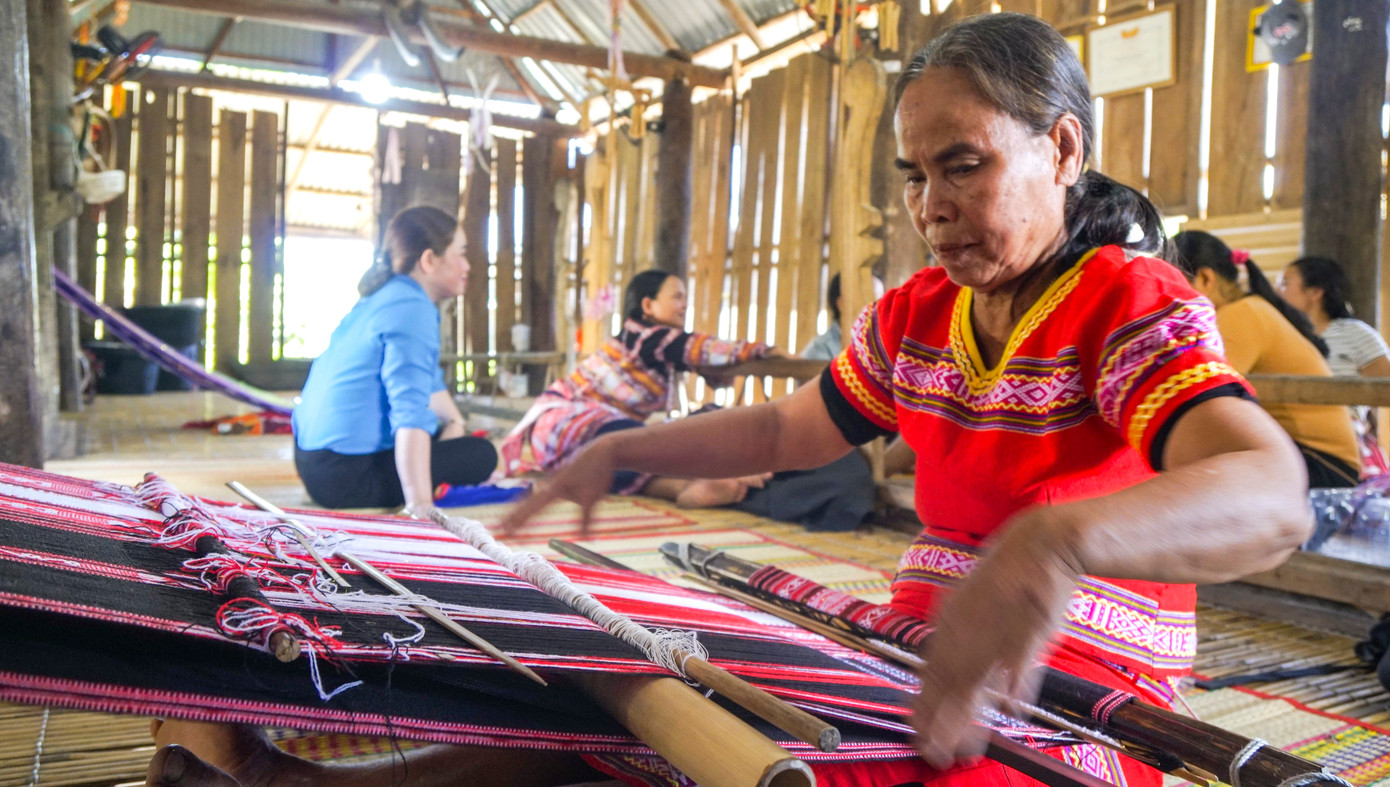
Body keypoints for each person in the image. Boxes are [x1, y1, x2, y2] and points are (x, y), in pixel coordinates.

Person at [147, 14, 1312, 787]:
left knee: (759, 756)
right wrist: (621, 451)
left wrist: (1051, 547)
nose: (931, 203)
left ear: (1061, 149)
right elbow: (785, 430)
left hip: (1065, 698)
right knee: (632, 672)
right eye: (914, 175)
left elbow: (1272, 495)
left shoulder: (1126, 302)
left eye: (964, 164)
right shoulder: (917, 313)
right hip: (910, 651)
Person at [498, 269, 779, 510]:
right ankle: (718, 469)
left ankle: (679, 488)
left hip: (572, 445)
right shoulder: (645, 335)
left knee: (637, 450)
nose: (684, 304)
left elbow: (711, 368)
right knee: (638, 442)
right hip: (565, 423)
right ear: (648, 305)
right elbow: (702, 348)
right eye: (677, 297)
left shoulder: (657, 346)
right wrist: (764, 351)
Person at [292, 206, 498, 511]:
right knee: (481, 455)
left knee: (445, 436)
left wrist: (455, 422)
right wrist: (420, 504)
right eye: (461, 254)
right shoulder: (413, 309)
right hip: (346, 479)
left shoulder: (385, 297)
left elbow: (427, 382)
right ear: (429, 260)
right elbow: (410, 411)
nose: (467, 265)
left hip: (313, 463)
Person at [1173, 231, 1361, 487]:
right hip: (1311, 460)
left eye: (1173, 286)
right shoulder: (1250, 309)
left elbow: (1196, 397)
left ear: (1206, 279)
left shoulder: (1240, 314)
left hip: (1323, 466)